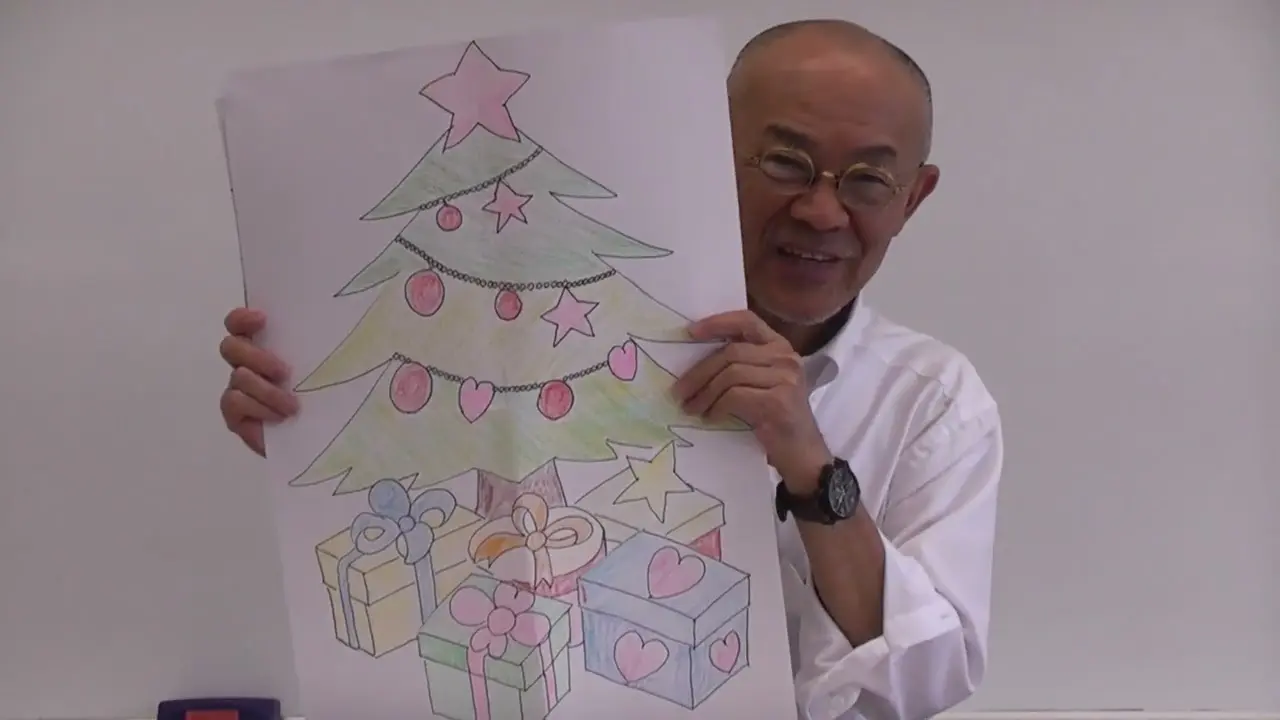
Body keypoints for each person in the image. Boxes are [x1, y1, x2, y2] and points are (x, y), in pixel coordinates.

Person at [218, 18, 1002, 720]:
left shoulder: (935, 402)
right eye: (785, 162)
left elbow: (927, 682)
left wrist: (811, 468)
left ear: (913, 198)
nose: (822, 212)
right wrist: (304, 429)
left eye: (868, 180)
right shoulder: (558, 346)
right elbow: (468, 551)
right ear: (703, 148)